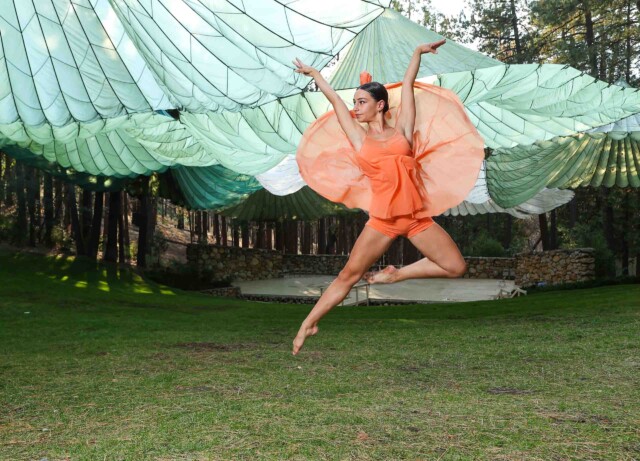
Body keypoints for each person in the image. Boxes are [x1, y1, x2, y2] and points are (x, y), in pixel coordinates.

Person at [291, 40, 484, 355]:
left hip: (415, 218)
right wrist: (315, 74)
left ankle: (397, 275)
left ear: (380, 104)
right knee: (348, 275)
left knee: (454, 265)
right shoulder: (358, 138)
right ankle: (308, 323)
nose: (356, 107)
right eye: (355, 102)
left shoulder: (402, 132)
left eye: (362, 101)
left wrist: (416, 53)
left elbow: (407, 85)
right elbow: (335, 104)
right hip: (383, 221)